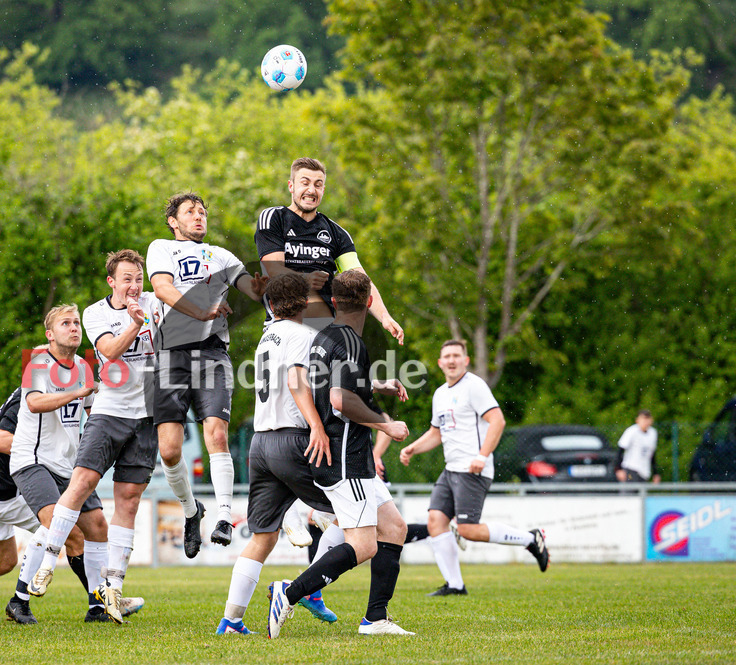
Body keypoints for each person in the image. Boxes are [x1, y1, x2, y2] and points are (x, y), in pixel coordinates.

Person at [264, 271, 415, 638]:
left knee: (394, 528)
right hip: (347, 457)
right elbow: (340, 399)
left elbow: (317, 384)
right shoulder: (351, 342)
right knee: (362, 545)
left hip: (338, 452)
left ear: (332, 301)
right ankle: (290, 591)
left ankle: (375, 619)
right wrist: (384, 424)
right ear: (368, 302)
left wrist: (376, 384)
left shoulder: (325, 335)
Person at [0, 388, 137, 625]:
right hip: (3, 492)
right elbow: (0, 441)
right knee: (71, 533)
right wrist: (50, 447)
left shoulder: (57, 387)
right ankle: (96, 603)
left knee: (4, 561)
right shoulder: (30, 394)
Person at [27, 249, 158, 623]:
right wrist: (135, 323)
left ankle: (113, 588)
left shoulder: (153, 300)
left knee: (129, 500)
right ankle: (48, 561)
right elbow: (110, 353)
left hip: (147, 415)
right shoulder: (96, 312)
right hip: (110, 412)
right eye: (127, 278)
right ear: (111, 282)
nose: (134, 285)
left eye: (139, 278)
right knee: (82, 481)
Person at [147, 193, 267, 556]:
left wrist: (268, 287)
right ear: (174, 221)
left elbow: (251, 288)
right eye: (190, 212)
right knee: (169, 451)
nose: (199, 217)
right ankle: (191, 511)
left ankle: (224, 517)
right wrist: (201, 309)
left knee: (216, 434)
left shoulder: (222, 255)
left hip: (213, 352)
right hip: (170, 354)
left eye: (202, 212)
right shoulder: (162, 247)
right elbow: (163, 288)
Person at [399, 340, 549, 597]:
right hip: (451, 469)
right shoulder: (440, 394)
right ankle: (455, 585)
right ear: (439, 363)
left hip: (473, 469)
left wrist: (483, 455)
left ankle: (531, 539)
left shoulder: (474, 386)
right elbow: (437, 433)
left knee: (468, 530)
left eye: (457, 355)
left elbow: (497, 421)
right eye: (447, 356)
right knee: (436, 521)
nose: (452, 360)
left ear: (466, 360)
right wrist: (413, 447)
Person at [9, 305, 112, 623]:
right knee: (56, 523)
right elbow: (34, 402)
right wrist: (75, 393)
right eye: (65, 323)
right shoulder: (37, 361)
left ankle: (98, 605)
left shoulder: (86, 364)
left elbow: (93, 413)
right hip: (33, 460)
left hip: (69, 466)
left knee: (96, 527)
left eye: (77, 322)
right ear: (49, 334)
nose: (74, 327)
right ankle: (19, 600)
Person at [255, 156, 404, 342]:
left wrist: (385, 317)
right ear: (291, 186)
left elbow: (362, 280)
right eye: (305, 183)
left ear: (323, 190)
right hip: (283, 325)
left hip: (324, 331)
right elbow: (274, 269)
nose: (311, 190)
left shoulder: (337, 233)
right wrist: (305, 279)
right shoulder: (273, 217)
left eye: (318, 185)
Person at [616, 410, 660, 483]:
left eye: (647, 419)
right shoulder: (632, 431)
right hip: (631, 469)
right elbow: (621, 449)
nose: (645, 421)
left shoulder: (653, 433)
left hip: (644, 472)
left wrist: (656, 473)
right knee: (630, 492)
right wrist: (618, 469)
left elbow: (652, 454)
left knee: (641, 493)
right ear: (637, 420)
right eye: (643, 419)